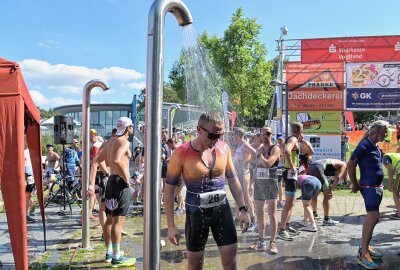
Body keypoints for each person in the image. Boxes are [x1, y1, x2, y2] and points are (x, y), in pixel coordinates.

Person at [164, 112, 249, 270]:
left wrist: (243, 208)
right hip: (195, 215)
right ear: (199, 129)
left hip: (221, 212)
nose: (216, 139)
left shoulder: (224, 148)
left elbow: (232, 178)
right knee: (195, 266)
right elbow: (168, 190)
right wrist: (171, 226)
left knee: (231, 264)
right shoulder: (182, 152)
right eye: (212, 135)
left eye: (220, 134)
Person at [88, 117, 136, 266]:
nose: (133, 129)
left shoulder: (109, 142)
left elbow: (96, 160)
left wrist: (106, 174)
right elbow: (116, 160)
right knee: (118, 221)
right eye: (132, 126)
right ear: (128, 128)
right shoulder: (124, 141)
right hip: (119, 183)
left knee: (109, 219)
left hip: (111, 182)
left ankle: (109, 252)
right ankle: (117, 257)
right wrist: (126, 177)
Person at [347, 120, 389, 269]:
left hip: (376, 186)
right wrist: (354, 183)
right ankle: (363, 254)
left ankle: (366, 247)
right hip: (369, 187)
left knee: (374, 218)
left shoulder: (375, 146)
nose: (387, 133)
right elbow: (350, 164)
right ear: (376, 131)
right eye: (385, 131)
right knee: (373, 217)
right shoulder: (364, 145)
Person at [250, 125, 280, 254]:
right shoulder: (260, 149)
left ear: (271, 135)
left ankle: (272, 243)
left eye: (267, 133)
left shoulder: (275, 149)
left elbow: (268, 164)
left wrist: (260, 155)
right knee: (259, 213)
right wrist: (251, 183)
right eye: (263, 133)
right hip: (259, 184)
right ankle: (261, 240)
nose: (265, 135)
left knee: (272, 213)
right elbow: (257, 167)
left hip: (271, 183)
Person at [279, 122, 303, 241]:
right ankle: (282, 230)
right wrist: (293, 166)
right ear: (300, 130)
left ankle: (287, 226)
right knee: (288, 203)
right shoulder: (293, 139)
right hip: (290, 173)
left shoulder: (293, 139)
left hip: (290, 173)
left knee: (292, 202)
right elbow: (287, 151)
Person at [307, 158, 347, 226]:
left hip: (311, 167)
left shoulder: (335, 164)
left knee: (315, 193)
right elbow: (338, 178)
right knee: (327, 195)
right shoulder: (344, 165)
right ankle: (326, 219)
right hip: (318, 167)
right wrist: (331, 189)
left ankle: (314, 214)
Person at [233, 128, 257, 232]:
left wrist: (248, 161)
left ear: (239, 135)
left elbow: (255, 153)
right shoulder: (239, 145)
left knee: (247, 198)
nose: (233, 137)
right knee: (237, 196)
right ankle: (237, 218)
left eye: (234, 135)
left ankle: (253, 221)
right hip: (239, 174)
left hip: (244, 174)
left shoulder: (244, 144)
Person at [382, 152, 400, 219]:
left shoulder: (384, 157)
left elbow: (390, 170)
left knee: (395, 192)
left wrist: (390, 184)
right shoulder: (394, 155)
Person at [24, 137, 36, 223]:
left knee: (29, 195)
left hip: (30, 173)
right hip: (23, 173)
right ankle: (23, 214)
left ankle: (26, 214)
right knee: (23, 195)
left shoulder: (30, 150)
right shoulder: (19, 149)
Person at [276, 134, 285, 209]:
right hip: (279, 167)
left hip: (284, 167)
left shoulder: (286, 146)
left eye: (281, 139)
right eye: (279, 140)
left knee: (280, 183)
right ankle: (280, 201)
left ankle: (281, 200)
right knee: (279, 183)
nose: (280, 141)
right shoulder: (276, 147)